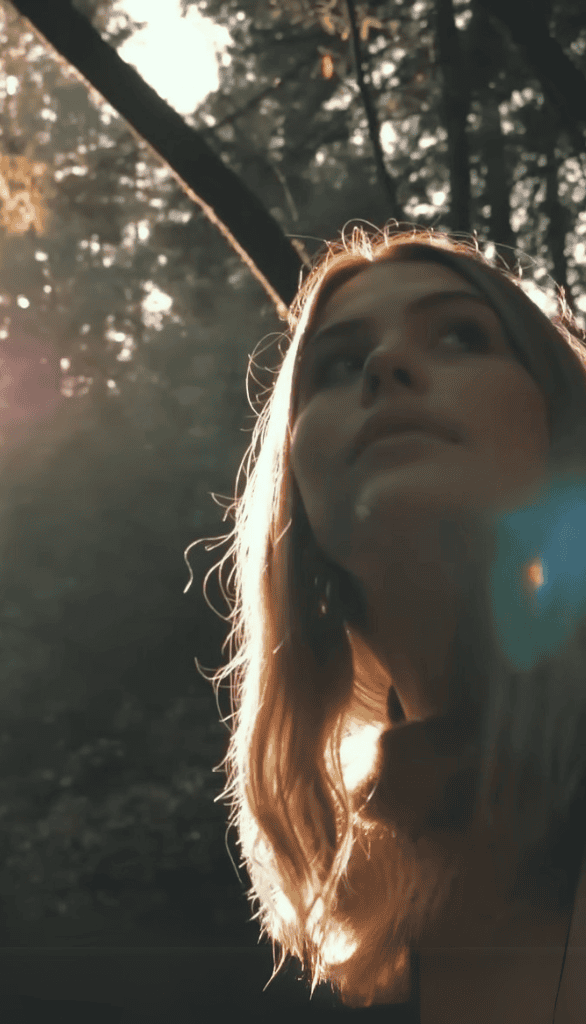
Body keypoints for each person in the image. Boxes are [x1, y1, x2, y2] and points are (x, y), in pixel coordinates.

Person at [206, 225, 586, 1022]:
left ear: (563, 429)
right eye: (339, 366)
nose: (385, 366)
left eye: (460, 335)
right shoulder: (336, 930)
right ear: (298, 510)